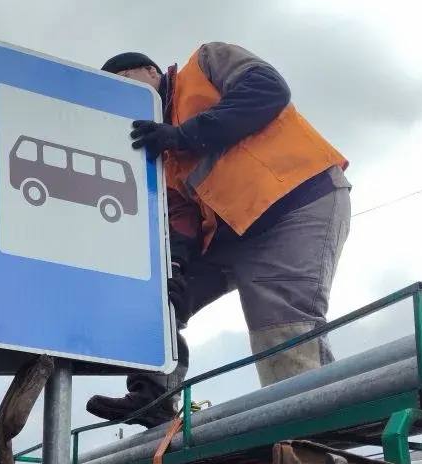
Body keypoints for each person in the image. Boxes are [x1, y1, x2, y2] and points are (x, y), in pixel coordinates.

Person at [87, 44, 351, 426]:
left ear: (150, 71)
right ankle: (153, 397)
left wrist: (184, 135)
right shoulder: (161, 149)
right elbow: (182, 218)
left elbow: (268, 91)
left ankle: (316, 429)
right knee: (156, 293)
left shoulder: (207, 63)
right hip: (230, 233)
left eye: (124, 82)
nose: (121, 96)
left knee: (281, 325)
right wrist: (175, 267)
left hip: (295, 202)